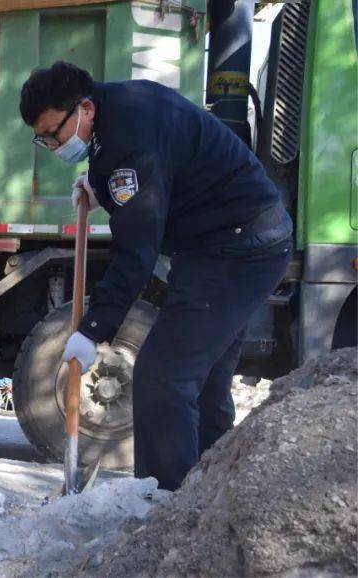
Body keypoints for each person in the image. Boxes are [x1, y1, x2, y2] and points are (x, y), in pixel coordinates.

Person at [19, 61, 291, 491]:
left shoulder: (127, 140)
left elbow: (136, 251)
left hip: (238, 249)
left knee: (163, 377)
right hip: (228, 243)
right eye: (44, 138)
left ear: (85, 109)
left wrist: (92, 330)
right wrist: (99, 183)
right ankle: (207, 497)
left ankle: (167, 503)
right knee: (201, 382)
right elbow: (155, 172)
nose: (53, 145)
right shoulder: (122, 107)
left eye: (55, 133)